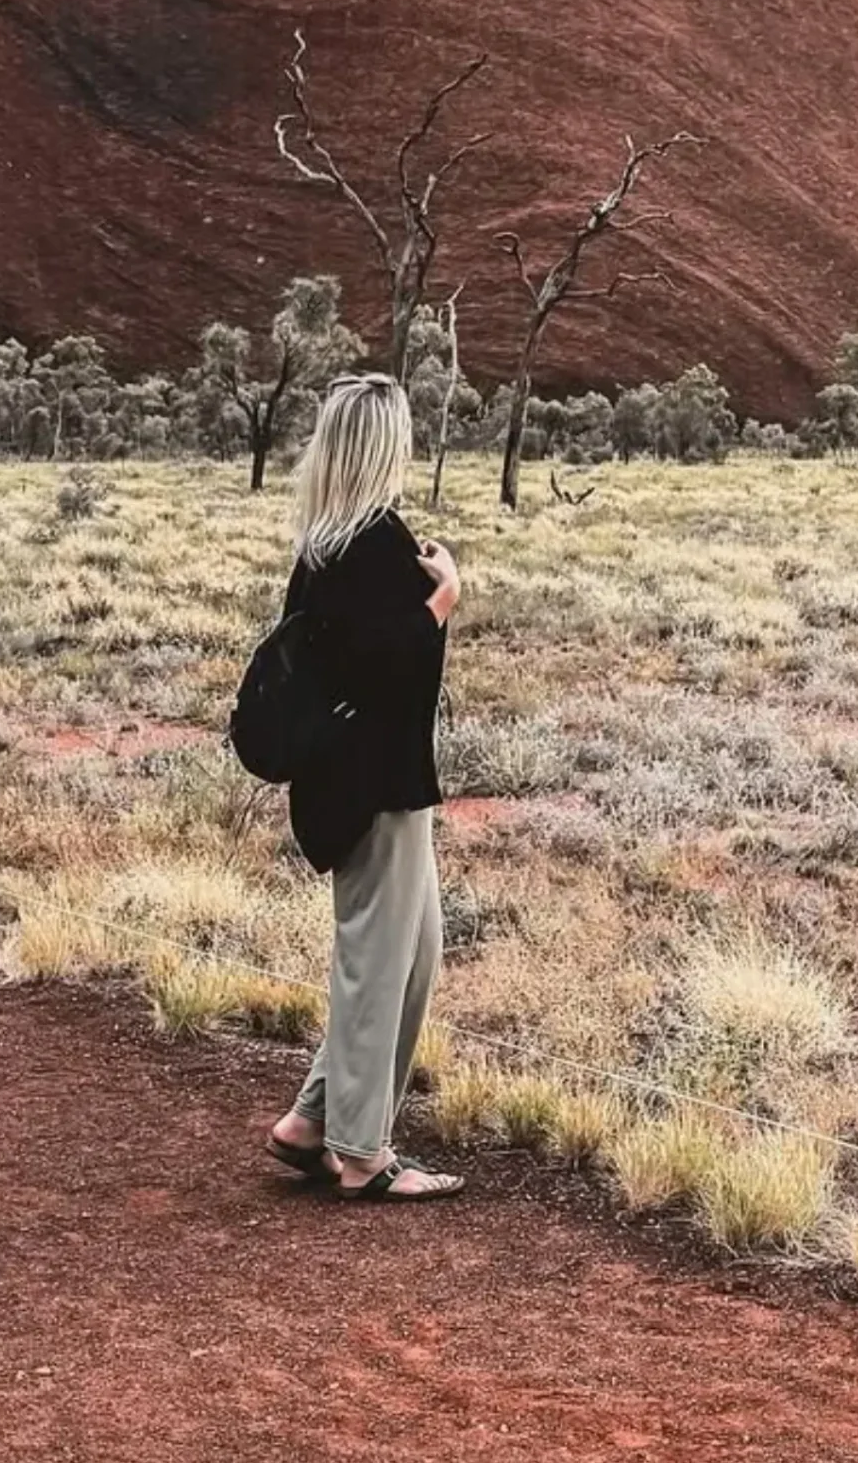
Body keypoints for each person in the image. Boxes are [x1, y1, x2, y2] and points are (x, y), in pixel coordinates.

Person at [264, 372, 466, 1203]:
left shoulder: (327, 546)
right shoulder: (372, 545)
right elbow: (388, 668)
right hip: (375, 785)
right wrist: (444, 598)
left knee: (410, 951)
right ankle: (361, 1151)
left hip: (357, 780)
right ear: (386, 444)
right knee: (383, 960)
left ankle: (315, 1118)